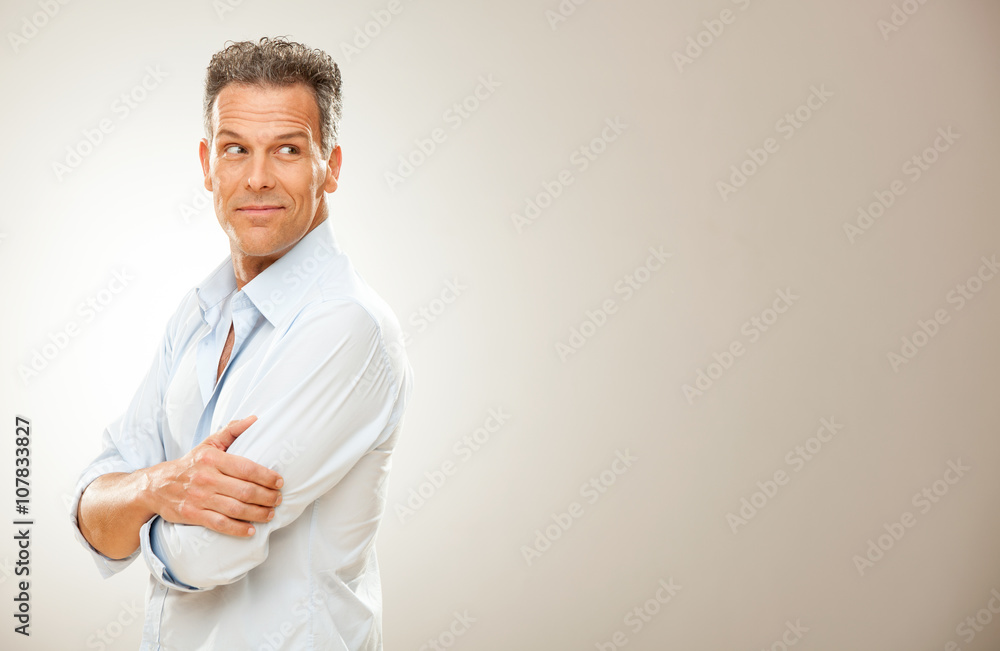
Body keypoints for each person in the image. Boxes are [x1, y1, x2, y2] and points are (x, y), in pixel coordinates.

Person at [69, 36, 413, 651]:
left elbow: (203, 554)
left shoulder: (346, 326)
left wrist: (131, 503)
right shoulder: (199, 310)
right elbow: (95, 500)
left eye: (287, 149)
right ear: (208, 164)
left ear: (331, 166)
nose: (257, 178)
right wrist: (159, 486)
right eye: (236, 149)